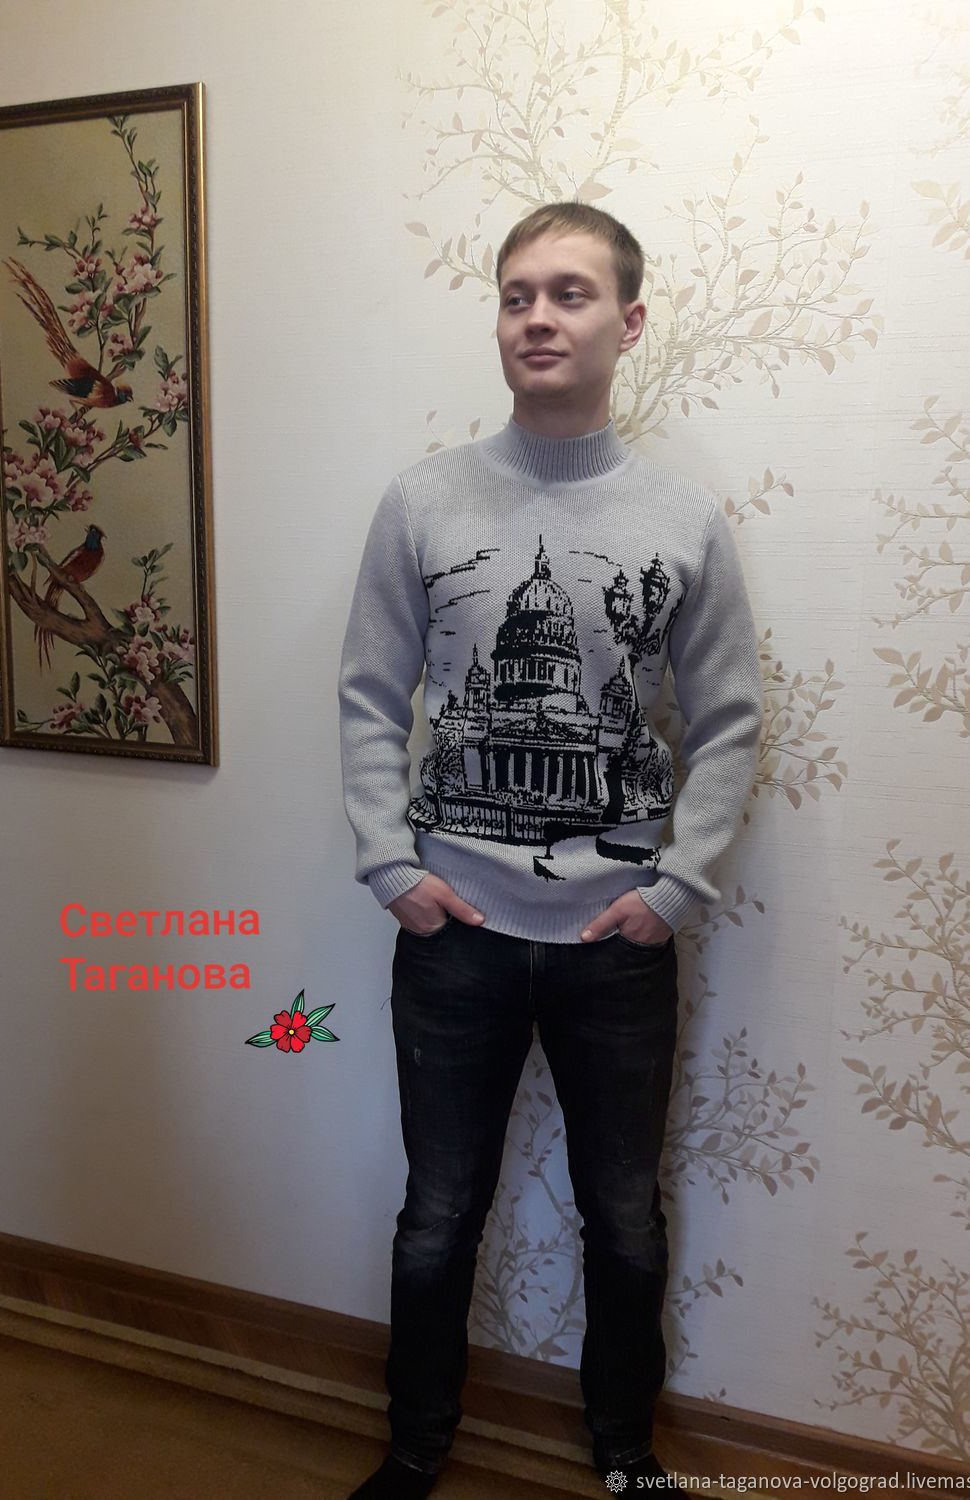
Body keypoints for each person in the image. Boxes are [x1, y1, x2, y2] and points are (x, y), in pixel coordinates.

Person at [337, 202, 763, 1498]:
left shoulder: (683, 520)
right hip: (453, 936)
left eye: (569, 293)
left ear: (625, 324)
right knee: (436, 1215)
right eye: (517, 293)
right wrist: (391, 866)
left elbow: (727, 721)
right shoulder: (421, 501)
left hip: (612, 943)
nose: (537, 316)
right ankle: (414, 1449)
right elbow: (370, 698)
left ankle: (626, 1455)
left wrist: (674, 888)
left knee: (622, 1217)